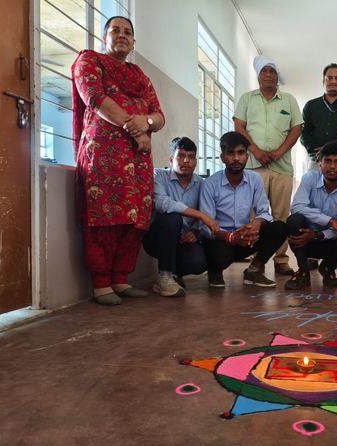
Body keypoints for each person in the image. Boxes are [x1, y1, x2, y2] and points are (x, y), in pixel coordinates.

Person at [72, 16, 165, 306]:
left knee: (135, 219)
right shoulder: (90, 61)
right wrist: (135, 128)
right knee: (104, 217)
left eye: (127, 32)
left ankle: (120, 279)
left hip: (139, 160)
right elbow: (95, 98)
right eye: (115, 30)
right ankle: (101, 284)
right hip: (103, 156)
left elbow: (159, 116)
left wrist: (147, 122)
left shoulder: (141, 77)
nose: (122, 35)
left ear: (134, 42)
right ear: (104, 38)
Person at [233, 55, 303, 276]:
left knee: (281, 216)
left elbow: (297, 128)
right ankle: (257, 258)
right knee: (255, 216)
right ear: (258, 75)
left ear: (277, 75)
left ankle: (281, 260)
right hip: (253, 168)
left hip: (282, 168)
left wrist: (278, 153)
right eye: (264, 71)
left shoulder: (288, 100)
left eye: (272, 71)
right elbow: (239, 126)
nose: (269, 75)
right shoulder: (247, 99)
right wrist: (255, 151)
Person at [199, 131, 288, 289]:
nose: (236, 158)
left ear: (247, 156)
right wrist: (232, 237)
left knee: (279, 228)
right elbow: (205, 227)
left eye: (241, 153)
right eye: (230, 153)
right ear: (222, 157)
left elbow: (264, 213)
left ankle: (253, 271)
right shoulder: (210, 184)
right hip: (220, 240)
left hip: (245, 238)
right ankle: (215, 271)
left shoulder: (254, 179)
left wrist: (256, 224)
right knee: (220, 255)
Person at [142, 137, 220, 297]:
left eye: (191, 157)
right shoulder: (159, 175)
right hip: (157, 237)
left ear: (196, 161)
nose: (186, 161)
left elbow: (206, 210)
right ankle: (164, 276)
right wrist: (199, 215)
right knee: (173, 217)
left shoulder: (202, 184)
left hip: (183, 239)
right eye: (181, 156)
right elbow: (161, 202)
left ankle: (174, 275)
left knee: (198, 263)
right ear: (171, 159)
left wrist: (196, 231)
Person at [284, 141, 337, 290]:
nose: (332, 166)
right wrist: (331, 221)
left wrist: (318, 235)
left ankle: (328, 267)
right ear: (320, 163)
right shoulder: (309, 179)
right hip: (304, 241)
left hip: (331, 242)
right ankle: (303, 271)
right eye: (328, 161)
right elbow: (297, 207)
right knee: (294, 220)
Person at [300, 63, 337, 169]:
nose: (333, 81)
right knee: (309, 180)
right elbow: (303, 133)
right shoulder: (311, 105)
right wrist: (317, 152)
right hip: (317, 161)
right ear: (323, 81)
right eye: (329, 78)